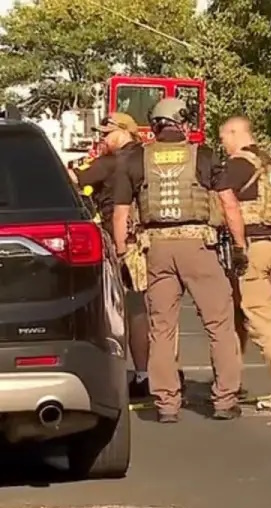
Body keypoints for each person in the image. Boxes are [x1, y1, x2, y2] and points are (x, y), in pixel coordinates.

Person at [111, 97, 247, 422]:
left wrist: (122, 254)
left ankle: (167, 405)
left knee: (162, 329)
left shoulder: (135, 159)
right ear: (183, 123)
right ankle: (225, 400)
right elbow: (229, 205)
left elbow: (120, 215)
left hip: (156, 249)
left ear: (154, 125)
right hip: (199, 246)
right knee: (219, 325)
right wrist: (240, 246)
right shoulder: (204, 156)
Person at [69, 112, 161, 398]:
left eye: (106, 134)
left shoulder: (111, 162)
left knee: (133, 308)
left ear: (124, 132)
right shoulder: (148, 157)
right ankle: (166, 372)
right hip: (155, 238)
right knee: (161, 309)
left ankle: (143, 375)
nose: (102, 138)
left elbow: (72, 179)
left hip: (125, 242)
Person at [217, 116, 271, 411]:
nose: (223, 144)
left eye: (223, 138)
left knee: (259, 320)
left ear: (234, 133)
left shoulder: (238, 165)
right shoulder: (270, 164)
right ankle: (230, 384)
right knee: (238, 317)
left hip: (251, 248)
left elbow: (221, 202)